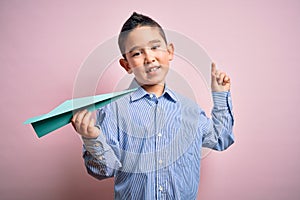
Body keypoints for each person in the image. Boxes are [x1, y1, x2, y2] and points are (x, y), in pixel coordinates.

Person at [71, 12, 234, 199]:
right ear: (126, 65)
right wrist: (92, 138)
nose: (149, 58)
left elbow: (221, 138)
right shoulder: (113, 111)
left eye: (155, 47)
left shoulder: (190, 110)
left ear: (170, 51)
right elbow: (103, 170)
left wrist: (220, 95)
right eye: (137, 53)